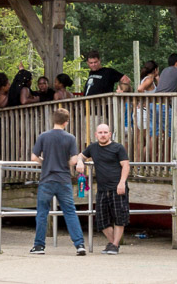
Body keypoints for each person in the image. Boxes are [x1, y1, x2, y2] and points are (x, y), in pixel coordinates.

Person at [30, 108, 86, 256]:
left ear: (53, 120)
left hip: (47, 179)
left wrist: (45, 163)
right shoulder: (70, 138)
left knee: (42, 213)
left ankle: (39, 246)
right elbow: (74, 160)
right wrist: (64, 164)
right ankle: (79, 244)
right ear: (66, 122)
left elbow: (34, 157)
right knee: (70, 212)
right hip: (63, 180)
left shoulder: (43, 136)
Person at [82, 123, 130, 255]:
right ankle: (114, 243)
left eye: (105, 132)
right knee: (101, 219)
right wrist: (80, 162)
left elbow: (125, 165)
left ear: (110, 134)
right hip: (102, 189)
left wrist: (122, 182)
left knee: (120, 217)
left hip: (117, 187)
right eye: (100, 132)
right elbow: (80, 156)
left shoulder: (118, 147)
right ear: (96, 135)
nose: (103, 135)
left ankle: (114, 245)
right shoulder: (92, 147)